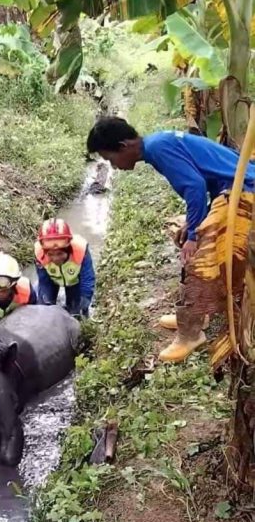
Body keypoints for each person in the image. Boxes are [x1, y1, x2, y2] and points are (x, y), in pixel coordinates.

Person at [87, 116, 255, 362]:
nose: (114, 166)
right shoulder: (158, 143)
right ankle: (197, 313)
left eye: (111, 160)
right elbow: (202, 179)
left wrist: (195, 235)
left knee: (197, 259)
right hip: (233, 186)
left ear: (124, 146)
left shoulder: (159, 149)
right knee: (193, 240)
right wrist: (192, 223)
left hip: (244, 190)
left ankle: (191, 333)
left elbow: (195, 187)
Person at [35, 218, 95, 317]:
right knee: (45, 309)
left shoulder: (80, 250)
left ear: (68, 249)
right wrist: (47, 303)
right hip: (51, 280)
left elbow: (87, 279)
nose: (55, 258)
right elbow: (44, 281)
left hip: (75, 281)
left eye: (59, 253)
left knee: (76, 313)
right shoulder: (39, 253)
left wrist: (84, 301)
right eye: (50, 254)